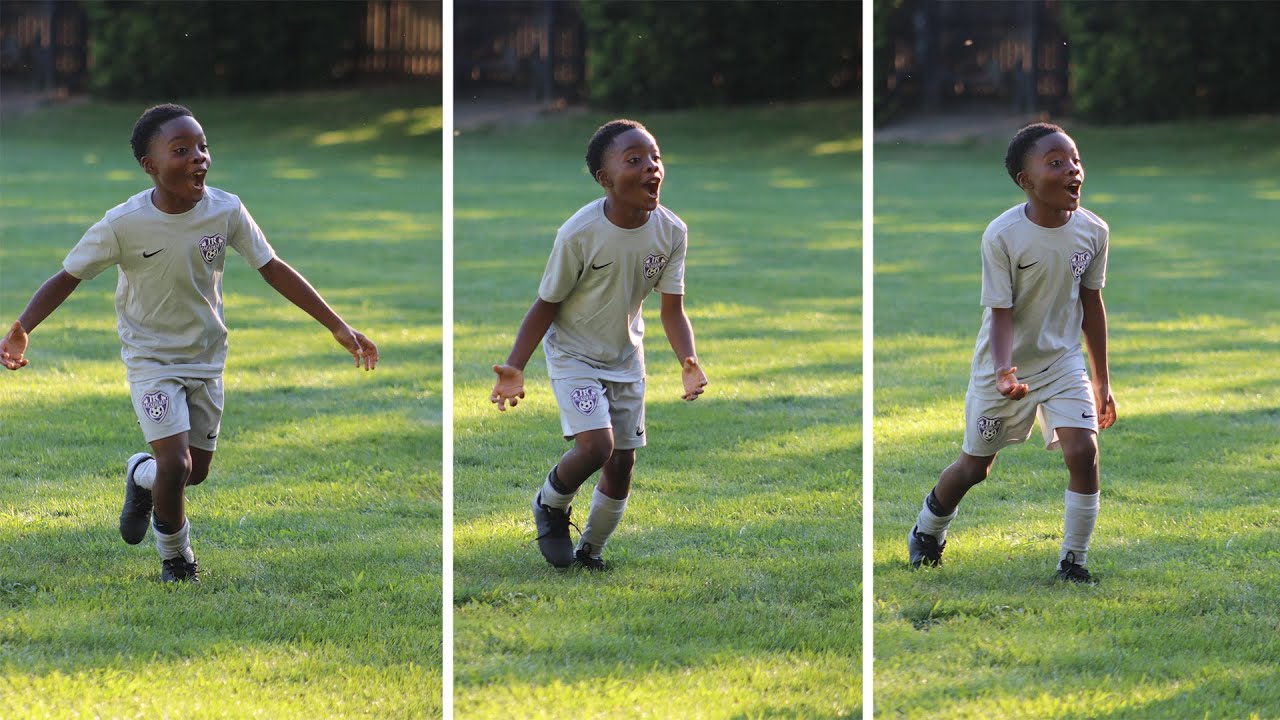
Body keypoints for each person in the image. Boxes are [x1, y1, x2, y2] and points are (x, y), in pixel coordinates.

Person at [0, 103, 378, 583]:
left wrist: (337, 325)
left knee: (191, 473)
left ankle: (141, 477)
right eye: (181, 150)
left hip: (206, 359)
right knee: (175, 464)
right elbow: (68, 275)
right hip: (150, 360)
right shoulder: (123, 223)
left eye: (203, 147)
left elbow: (273, 267)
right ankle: (177, 560)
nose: (198, 157)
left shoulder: (226, 209)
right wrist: (23, 326)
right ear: (150, 165)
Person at [489, 119, 708, 571]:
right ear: (604, 180)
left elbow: (672, 310)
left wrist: (688, 359)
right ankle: (550, 504)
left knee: (623, 462)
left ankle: (591, 551)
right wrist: (516, 365)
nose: (652, 168)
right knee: (596, 446)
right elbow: (546, 304)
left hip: (626, 356)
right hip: (573, 352)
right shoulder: (579, 233)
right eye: (635, 160)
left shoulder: (672, 231)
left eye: (655, 156)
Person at [907, 122, 1116, 583]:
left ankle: (1073, 561)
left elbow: (1092, 305)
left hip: (1062, 362)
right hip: (1001, 369)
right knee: (976, 467)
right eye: (1056, 163)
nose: (1073, 171)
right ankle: (928, 529)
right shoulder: (1002, 236)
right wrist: (1003, 371)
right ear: (1026, 181)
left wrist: (1102, 382)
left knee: (1084, 453)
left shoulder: (1094, 232)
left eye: (1075, 160)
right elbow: (1000, 311)